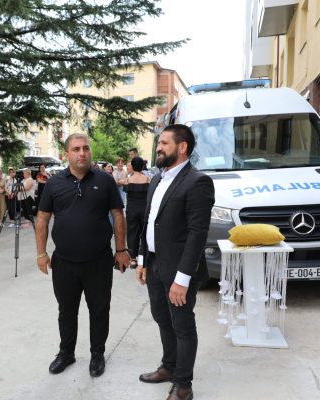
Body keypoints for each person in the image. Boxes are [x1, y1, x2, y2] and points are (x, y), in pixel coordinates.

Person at [35, 133, 130, 378]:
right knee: (66, 311)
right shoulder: (54, 183)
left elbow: (118, 215)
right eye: (76, 149)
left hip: (99, 261)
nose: (82, 153)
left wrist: (121, 250)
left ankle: (97, 354)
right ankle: (66, 353)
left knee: (99, 310)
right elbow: (42, 219)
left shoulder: (105, 180)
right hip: (64, 262)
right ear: (66, 154)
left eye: (85, 148)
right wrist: (41, 253)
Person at [136, 124, 215, 400]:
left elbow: (197, 234)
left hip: (179, 270)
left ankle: (183, 386)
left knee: (182, 326)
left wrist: (182, 279)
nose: (158, 148)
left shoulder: (198, 182)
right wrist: (143, 259)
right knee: (161, 318)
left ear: (182, 147)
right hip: (155, 264)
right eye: (159, 143)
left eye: (164, 143)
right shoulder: (157, 179)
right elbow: (148, 222)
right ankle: (169, 367)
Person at [123, 157, 150, 268]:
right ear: (142, 166)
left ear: (133, 166)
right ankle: (144, 257)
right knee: (145, 232)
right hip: (144, 209)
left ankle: (133, 259)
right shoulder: (148, 179)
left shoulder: (128, 180)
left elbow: (125, 190)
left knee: (132, 232)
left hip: (131, 209)